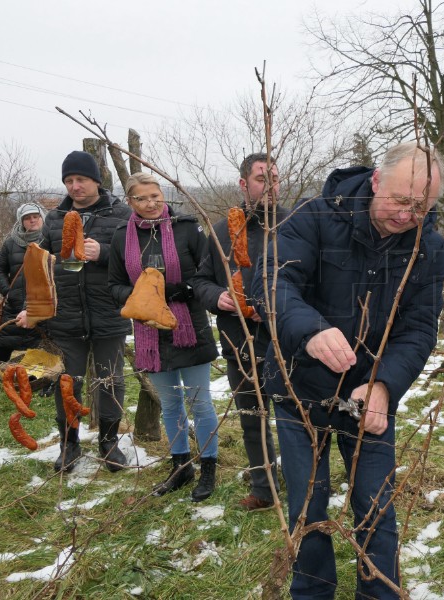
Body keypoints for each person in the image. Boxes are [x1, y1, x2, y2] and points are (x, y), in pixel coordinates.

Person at [253, 140, 444, 599]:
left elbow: (419, 329)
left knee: (377, 507)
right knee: (307, 505)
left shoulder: (429, 248)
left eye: (421, 207)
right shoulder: (316, 215)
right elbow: (271, 279)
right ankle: (313, 593)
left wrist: (383, 385)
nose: (406, 216)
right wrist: (310, 331)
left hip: (368, 398)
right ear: (376, 180)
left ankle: (379, 593)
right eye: (400, 201)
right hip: (300, 387)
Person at [18, 151, 131, 473]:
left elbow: (134, 261)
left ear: (96, 180)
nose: (75, 186)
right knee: (68, 381)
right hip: (66, 316)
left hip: (108, 312)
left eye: (81, 179)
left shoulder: (120, 214)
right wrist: (30, 308)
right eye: (69, 181)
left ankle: (109, 443)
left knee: (110, 381)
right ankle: (69, 444)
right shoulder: (54, 219)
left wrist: (106, 253)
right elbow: (38, 267)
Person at [109, 172, 220, 502]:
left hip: (190, 327)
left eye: (156, 195)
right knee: (171, 405)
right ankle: (181, 466)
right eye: (142, 198)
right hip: (149, 333)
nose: (151, 203)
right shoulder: (121, 237)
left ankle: (209, 468)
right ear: (131, 202)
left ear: (163, 195)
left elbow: (209, 271)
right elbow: (114, 285)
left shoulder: (186, 228)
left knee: (200, 402)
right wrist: (143, 295)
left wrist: (184, 290)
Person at [190, 153, 286, 511]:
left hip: (290, 340)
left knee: (296, 417)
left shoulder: (294, 224)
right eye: (263, 179)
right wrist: (219, 297)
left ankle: (304, 478)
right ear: (244, 184)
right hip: (240, 341)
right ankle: (264, 489)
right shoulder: (220, 231)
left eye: (275, 178)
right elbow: (198, 281)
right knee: (252, 418)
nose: (271, 186)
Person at [0, 204, 47, 397]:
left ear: (42, 218)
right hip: (14, 303)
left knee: (44, 346)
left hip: (42, 303)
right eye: (28, 217)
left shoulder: (50, 239)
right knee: (3, 345)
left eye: (36, 216)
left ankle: (46, 382)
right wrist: (7, 290)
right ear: (21, 221)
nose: (33, 220)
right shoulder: (11, 242)